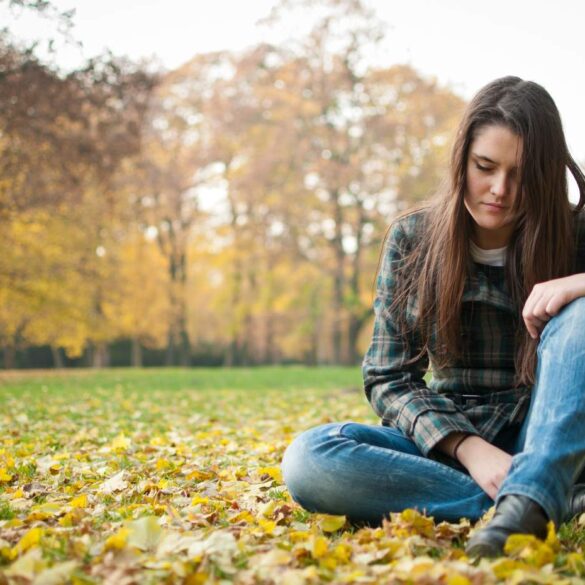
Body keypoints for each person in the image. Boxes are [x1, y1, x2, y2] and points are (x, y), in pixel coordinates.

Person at [281, 76, 585, 557]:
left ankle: (535, 489)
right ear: (461, 158)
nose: (500, 190)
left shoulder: (574, 232)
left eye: (521, 175)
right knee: (311, 460)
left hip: (547, 433)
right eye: (485, 167)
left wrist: (579, 284)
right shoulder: (413, 238)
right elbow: (387, 377)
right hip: (447, 444)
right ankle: (541, 501)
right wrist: (469, 448)